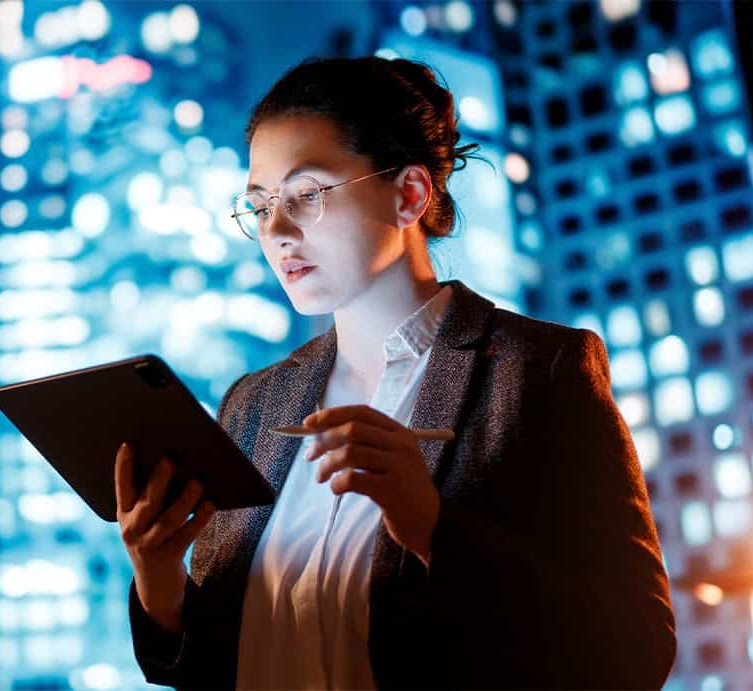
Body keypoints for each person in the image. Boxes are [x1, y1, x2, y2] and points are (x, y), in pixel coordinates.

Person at [113, 55, 677, 690]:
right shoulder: (254, 406)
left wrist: (433, 527)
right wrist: (160, 585)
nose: (276, 230)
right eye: (259, 204)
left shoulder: (535, 371)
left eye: (306, 195)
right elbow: (228, 664)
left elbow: (635, 649)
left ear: (409, 194)